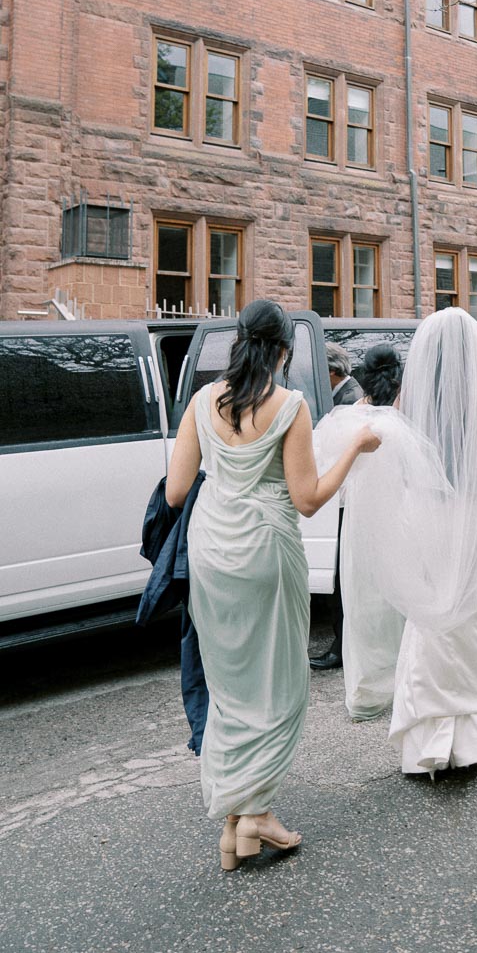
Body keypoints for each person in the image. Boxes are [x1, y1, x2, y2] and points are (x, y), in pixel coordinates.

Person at [165, 300, 380, 870]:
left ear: (238, 341)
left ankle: (236, 823)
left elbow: (175, 492)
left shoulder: (201, 401)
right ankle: (255, 811)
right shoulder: (290, 405)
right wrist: (355, 448)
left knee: (230, 685)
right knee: (278, 682)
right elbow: (307, 499)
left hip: (212, 549)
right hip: (265, 546)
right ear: (284, 348)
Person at [387, 308, 477, 775]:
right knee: (472, 614)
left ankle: (429, 737)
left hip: (426, 519)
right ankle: (474, 740)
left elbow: (405, 469)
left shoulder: (409, 403)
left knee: (429, 616)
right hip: (470, 522)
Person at [338, 343, 408, 719]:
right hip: (398, 508)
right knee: (399, 596)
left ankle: (366, 686)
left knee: (363, 598)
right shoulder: (405, 412)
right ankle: (405, 678)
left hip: (363, 510)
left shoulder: (354, 413)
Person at [309, 343, 364, 672]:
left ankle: (342, 646)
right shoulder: (346, 393)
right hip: (343, 497)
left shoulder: (348, 402)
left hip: (347, 499)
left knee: (343, 579)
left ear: (331, 372)